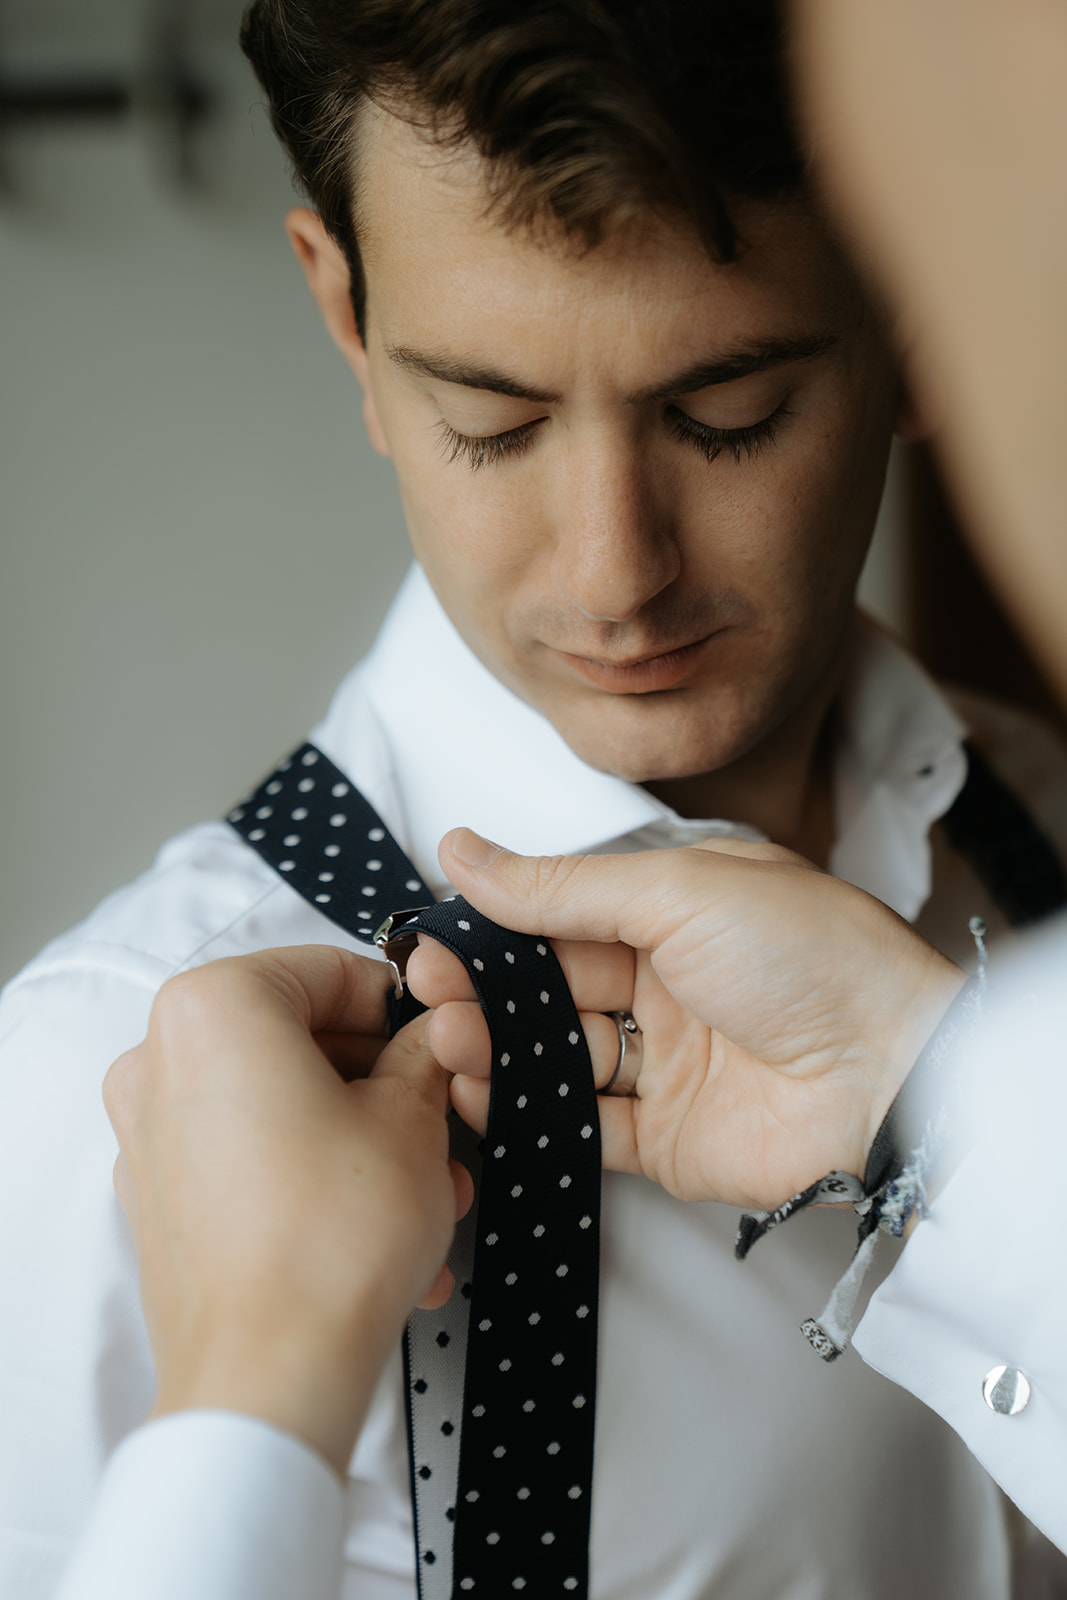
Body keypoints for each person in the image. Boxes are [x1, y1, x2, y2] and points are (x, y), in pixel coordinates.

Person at [4, 0, 1062, 1595]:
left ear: (911, 318)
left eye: (729, 415)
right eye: (491, 423)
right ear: (349, 326)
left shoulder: (1047, 823)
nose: (615, 573)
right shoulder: (98, 1080)